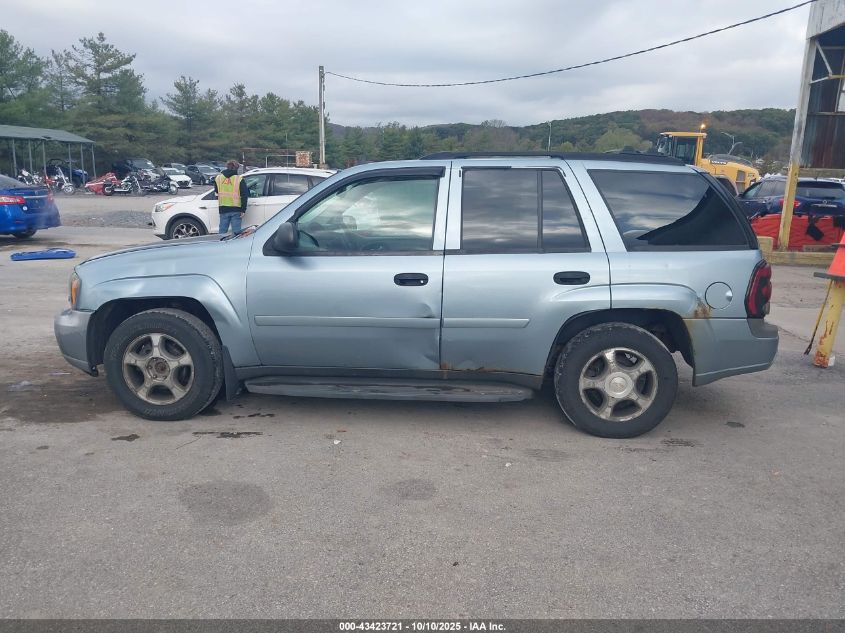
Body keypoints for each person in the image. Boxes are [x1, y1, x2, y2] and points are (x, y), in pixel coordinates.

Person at [213, 160, 249, 235]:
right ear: (236, 168)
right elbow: (244, 195)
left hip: (223, 208)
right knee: (236, 234)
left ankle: (220, 246)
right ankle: (235, 246)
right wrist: (243, 209)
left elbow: (216, 191)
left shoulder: (218, 178)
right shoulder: (239, 179)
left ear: (227, 167)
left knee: (222, 233)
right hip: (236, 209)